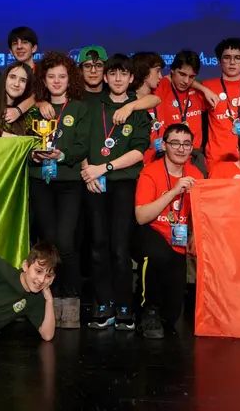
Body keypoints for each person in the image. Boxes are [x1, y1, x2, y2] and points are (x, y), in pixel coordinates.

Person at [81, 54, 150, 331]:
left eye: (124, 74)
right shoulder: (91, 105)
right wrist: (88, 171)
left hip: (122, 182)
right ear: (106, 78)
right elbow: (81, 142)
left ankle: (124, 306)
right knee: (98, 246)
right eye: (113, 74)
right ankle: (103, 303)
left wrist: (104, 167)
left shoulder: (138, 109)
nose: (118, 79)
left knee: (120, 249)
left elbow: (138, 150)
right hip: (94, 183)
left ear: (131, 78)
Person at [29, 51, 90, 329]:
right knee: (48, 242)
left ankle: (71, 299)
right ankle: (47, 298)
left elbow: (83, 146)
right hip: (40, 182)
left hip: (68, 183)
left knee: (66, 243)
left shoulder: (79, 108)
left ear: (70, 79)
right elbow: (23, 144)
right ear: (44, 79)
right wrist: (35, 155)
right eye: (51, 76)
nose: (56, 81)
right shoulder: (34, 108)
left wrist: (61, 156)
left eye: (62, 76)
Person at [133, 124, 202, 339]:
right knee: (158, 255)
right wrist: (173, 191)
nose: (181, 149)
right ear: (164, 145)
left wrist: (194, 235)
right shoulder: (150, 172)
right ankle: (147, 309)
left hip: (178, 238)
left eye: (186, 144)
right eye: (175, 143)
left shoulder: (196, 174)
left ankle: (161, 312)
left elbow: (201, 213)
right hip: (150, 231)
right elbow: (142, 217)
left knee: (172, 314)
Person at [202, 38, 240, 166]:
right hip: (217, 159)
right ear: (218, 61)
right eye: (227, 57)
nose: (232, 62)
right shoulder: (207, 86)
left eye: (237, 58)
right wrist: (201, 88)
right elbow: (179, 81)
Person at [145, 50, 207, 172]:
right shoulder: (161, 86)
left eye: (191, 77)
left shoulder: (201, 93)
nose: (186, 81)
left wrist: (205, 90)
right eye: (182, 74)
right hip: (168, 154)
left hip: (194, 156)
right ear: (172, 70)